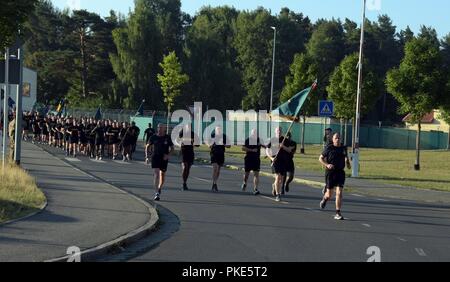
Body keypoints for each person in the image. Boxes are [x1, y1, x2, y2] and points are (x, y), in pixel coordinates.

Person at [319, 133, 351, 220]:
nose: (338, 139)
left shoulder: (343, 148)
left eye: (339, 138)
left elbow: (347, 160)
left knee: (339, 193)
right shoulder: (329, 148)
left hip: (340, 173)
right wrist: (327, 164)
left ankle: (338, 212)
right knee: (329, 194)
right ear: (333, 139)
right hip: (331, 172)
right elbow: (320, 158)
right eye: (336, 138)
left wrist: (348, 162)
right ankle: (325, 199)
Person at [266, 127, 295, 202]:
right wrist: (271, 158)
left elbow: (290, 150)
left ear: (282, 132)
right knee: (278, 177)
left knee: (281, 180)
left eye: (280, 131)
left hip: (283, 162)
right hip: (275, 161)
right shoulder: (272, 140)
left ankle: (274, 185)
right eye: (277, 131)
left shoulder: (285, 140)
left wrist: (283, 146)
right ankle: (278, 195)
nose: (279, 132)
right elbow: (267, 150)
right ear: (275, 132)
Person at [148, 124, 174, 201]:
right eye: (158, 127)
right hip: (155, 157)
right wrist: (147, 155)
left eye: (161, 128)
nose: (159, 129)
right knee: (156, 174)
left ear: (164, 129)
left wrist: (168, 155)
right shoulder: (153, 137)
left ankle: (159, 188)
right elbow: (148, 146)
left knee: (162, 174)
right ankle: (156, 193)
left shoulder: (167, 137)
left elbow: (172, 148)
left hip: (164, 158)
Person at [177, 124, 199, 191]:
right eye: (187, 127)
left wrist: (194, 143)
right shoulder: (182, 133)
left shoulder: (193, 134)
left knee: (188, 168)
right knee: (184, 167)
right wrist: (180, 143)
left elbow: (197, 144)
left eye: (189, 127)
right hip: (184, 152)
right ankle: (183, 183)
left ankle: (185, 182)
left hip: (190, 153)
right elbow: (177, 140)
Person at [241, 128, 264, 196]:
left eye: (256, 133)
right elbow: (243, 148)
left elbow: (265, 146)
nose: (255, 134)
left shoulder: (260, 140)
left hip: (256, 159)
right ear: (251, 133)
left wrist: (265, 149)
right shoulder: (248, 140)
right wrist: (252, 150)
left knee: (256, 174)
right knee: (246, 174)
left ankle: (255, 189)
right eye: (253, 133)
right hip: (248, 159)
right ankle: (244, 182)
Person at [208, 126, 230, 192]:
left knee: (218, 170)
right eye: (217, 130)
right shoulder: (212, 135)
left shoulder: (224, 136)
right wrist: (211, 144)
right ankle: (214, 183)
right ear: (215, 130)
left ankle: (215, 182)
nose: (219, 131)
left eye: (220, 129)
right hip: (214, 154)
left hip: (221, 154)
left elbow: (229, 146)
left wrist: (224, 144)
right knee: (215, 168)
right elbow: (209, 145)